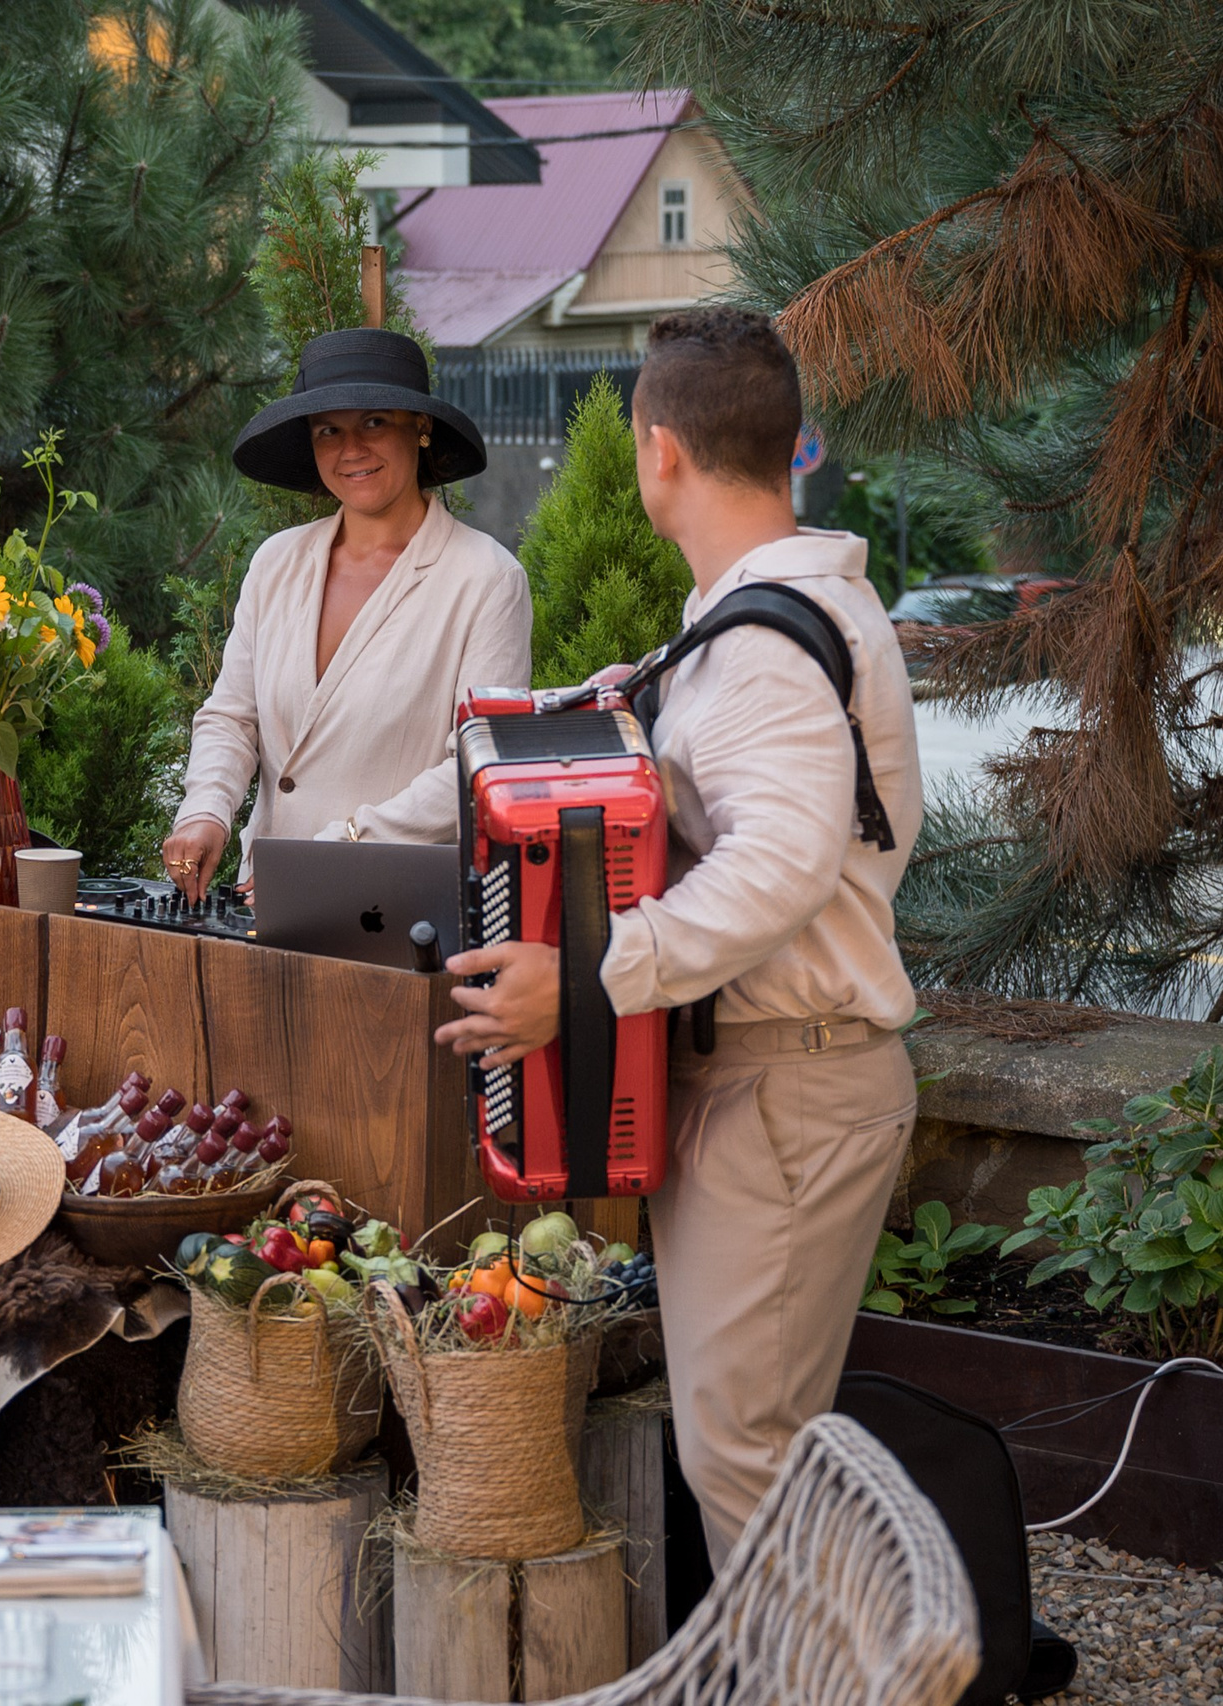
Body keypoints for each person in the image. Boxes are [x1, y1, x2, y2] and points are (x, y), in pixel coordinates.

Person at [433, 305, 924, 1566]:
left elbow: (780, 863)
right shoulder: (748, 619)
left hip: (790, 1084)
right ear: (791, 445)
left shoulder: (759, 646)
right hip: (767, 1079)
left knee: (742, 1450)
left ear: (657, 450)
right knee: (752, 1447)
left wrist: (591, 979)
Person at [162, 328, 531, 897]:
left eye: (375, 422)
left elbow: (476, 770)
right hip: (262, 905)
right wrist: (205, 810)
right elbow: (232, 717)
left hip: (395, 910)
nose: (350, 448)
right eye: (328, 429)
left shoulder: (486, 579)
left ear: (422, 428)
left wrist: (341, 850)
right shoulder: (276, 563)